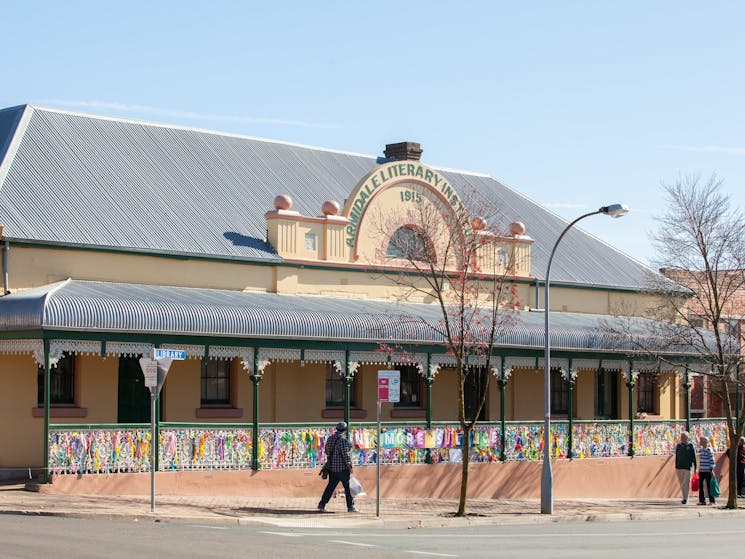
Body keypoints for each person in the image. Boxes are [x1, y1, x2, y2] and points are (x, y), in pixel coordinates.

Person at [317, 421, 359, 513]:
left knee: (330, 487)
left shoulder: (330, 438)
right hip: (342, 469)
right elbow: (346, 455)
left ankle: (322, 505)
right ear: (345, 430)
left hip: (332, 468)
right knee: (348, 489)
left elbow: (327, 451)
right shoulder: (343, 440)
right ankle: (350, 507)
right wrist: (350, 467)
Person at [674, 431, 696, 504]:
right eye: (681, 437)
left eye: (684, 437)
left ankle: (685, 498)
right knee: (681, 483)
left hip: (687, 467)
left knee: (686, 482)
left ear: (687, 438)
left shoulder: (690, 446)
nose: (682, 438)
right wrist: (676, 465)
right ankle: (684, 497)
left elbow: (694, 457)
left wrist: (695, 467)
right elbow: (677, 456)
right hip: (679, 467)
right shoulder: (679, 446)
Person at [697, 436, 716, 505]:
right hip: (702, 470)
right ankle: (702, 500)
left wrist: (711, 469)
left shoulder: (709, 450)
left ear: (704, 442)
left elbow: (712, 460)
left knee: (709, 485)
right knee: (701, 486)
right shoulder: (701, 450)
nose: (700, 442)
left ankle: (712, 501)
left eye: (701, 441)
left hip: (708, 470)